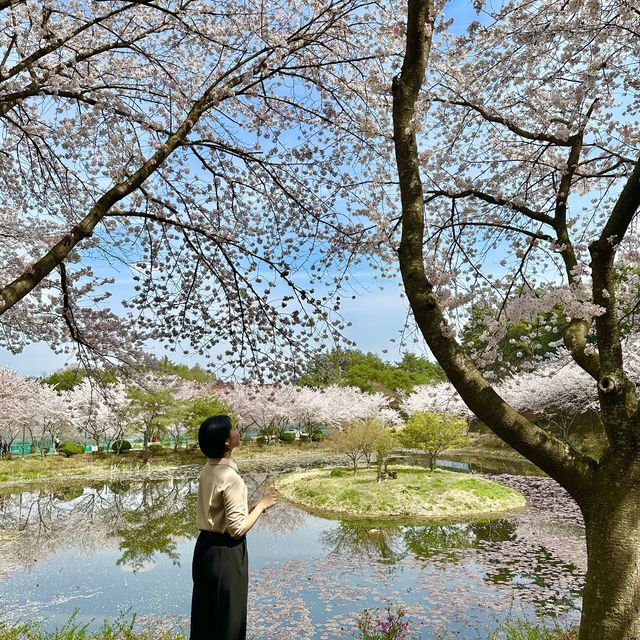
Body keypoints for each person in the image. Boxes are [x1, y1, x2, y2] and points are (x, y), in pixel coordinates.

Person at [190, 415, 276, 640]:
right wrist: (263, 505)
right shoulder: (231, 477)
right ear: (227, 442)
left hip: (204, 549)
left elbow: (217, 513)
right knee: (229, 620)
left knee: (205, 620)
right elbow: (236, 529)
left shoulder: (208, 469)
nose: (238, 430)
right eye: (234, 428)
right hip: (226, 554)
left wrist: (252, 509)